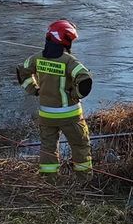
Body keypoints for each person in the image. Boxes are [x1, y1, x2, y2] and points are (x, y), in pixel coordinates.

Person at [16, 19, 94, 175]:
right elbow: (85, 80)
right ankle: (83, 180)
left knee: (48, 150)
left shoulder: (36, 58)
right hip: (70, 115)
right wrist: (74, 94)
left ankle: (49, 182)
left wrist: (34, 89)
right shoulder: (69, 61)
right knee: (80, 146)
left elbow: (21, 71)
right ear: (65, 40)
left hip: (46, 116)